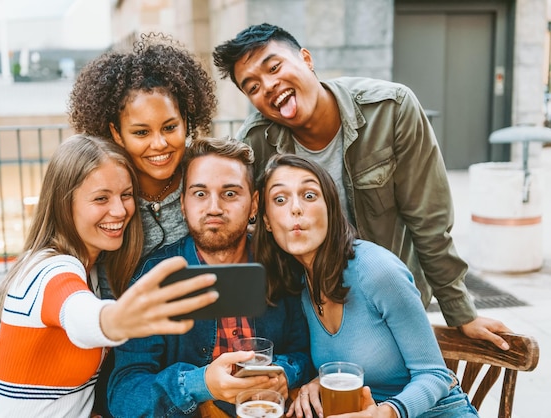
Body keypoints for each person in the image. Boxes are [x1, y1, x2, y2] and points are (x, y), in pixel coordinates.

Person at [212, 23, 511, 349]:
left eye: (274, 67)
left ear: (306, 59)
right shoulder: (256, 140)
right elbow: (235, 220)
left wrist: (460, 312)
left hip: (386, 303)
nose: (268, 86)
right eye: (252, 86)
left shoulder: (392, 109)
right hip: (310, 311)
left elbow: (429, 221)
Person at [0, 134, 218, 417]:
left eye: (125, 195)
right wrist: (117, 320)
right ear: (64, 204)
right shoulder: (51, 269)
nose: (120, 211)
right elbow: (77, 311)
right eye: (101, 199)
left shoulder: (93, 270)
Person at [255, 154, 478, 418]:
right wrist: (318, 382)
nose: (295, 209)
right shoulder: (300, 283)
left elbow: (436, 375)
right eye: (280, 200)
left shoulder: (376, 269)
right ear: (267, 221)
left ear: (330, 208)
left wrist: (386, 413)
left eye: (310, 195)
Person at [107, 137, 311, 417]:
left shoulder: (282, 264)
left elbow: (306, 351)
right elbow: (124, 394)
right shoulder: (153, 278)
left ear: (253, 205)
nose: (214, 208)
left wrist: (284, 372)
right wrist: (200, 384)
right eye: (200, 194)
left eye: (229, 194)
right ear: (183, 204)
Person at [69, 32, 217, 258]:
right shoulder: (100, 191)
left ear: (186, 122)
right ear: (116, 132)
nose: (159, 144)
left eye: (169, 128)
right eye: (141, 132)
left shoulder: (208, 177)